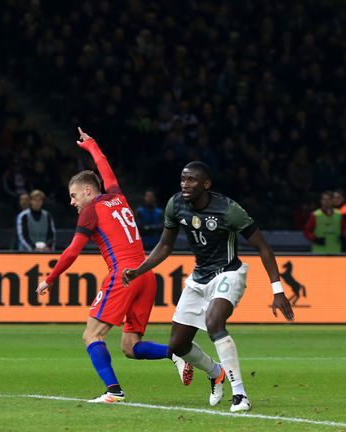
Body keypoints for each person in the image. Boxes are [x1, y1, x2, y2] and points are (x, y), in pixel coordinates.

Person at [122, 161, 295, 413]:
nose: (185, 184)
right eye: (182, 179)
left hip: (229, 273)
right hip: (198, 277)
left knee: (214, 322)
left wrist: (277, 290)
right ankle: (216, 373)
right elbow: (165, 246)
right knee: (177, 346)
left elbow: (263, 247)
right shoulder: (176, 205)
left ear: (206, 184)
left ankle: (240, 395)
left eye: (191, 180)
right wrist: (139, 270)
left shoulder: (228, 210)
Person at [36, 128, 192, 404]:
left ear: (87, 191)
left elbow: (72, 252)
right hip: (146, 275)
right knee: (130, 347)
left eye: (73, 195)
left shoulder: (90, 210)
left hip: (124, 276)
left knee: (91, 335)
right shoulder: (118, 196)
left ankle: (113, 391)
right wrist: (92, 145)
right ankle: (175, 353)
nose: (72, 202)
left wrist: (49, 279)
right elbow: (105, 167)